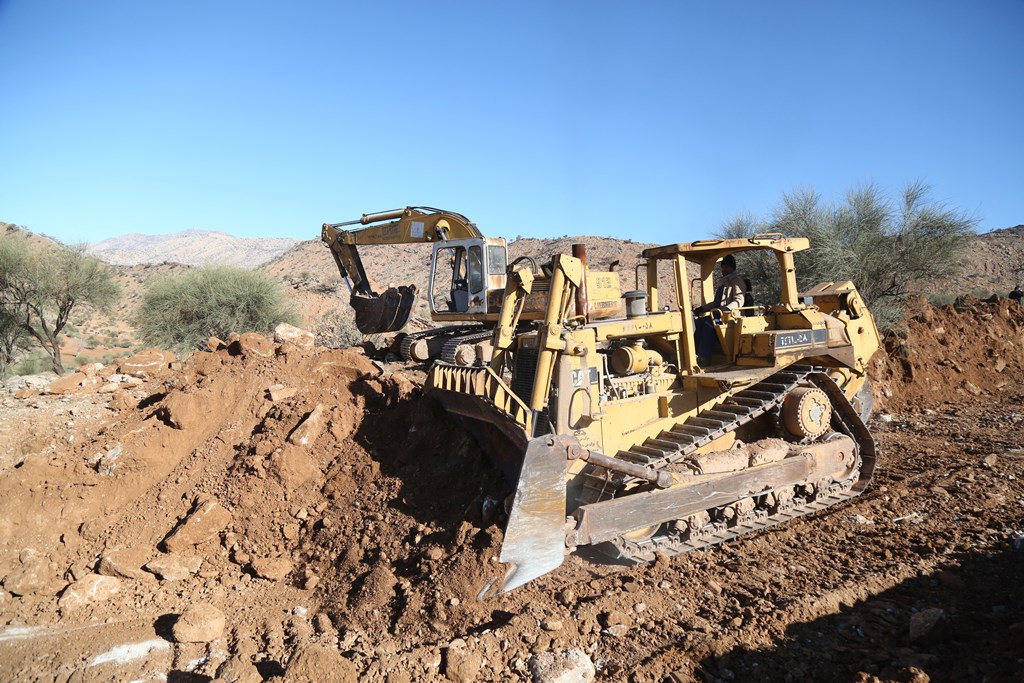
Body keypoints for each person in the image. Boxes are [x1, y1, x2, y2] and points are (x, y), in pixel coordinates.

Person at [694, 254, 747, 365]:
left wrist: (727, 309)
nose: (723, 269)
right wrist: (702, 308)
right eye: (723, 267)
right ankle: (695, 353)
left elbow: (739, 300)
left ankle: (705, 357)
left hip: (729, 317)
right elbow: (716, 303)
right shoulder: (724, 282)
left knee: (709, 324)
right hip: (717, 315)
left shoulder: (736, 281)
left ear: (732, 267)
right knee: (696, 323)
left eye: (726, 267)